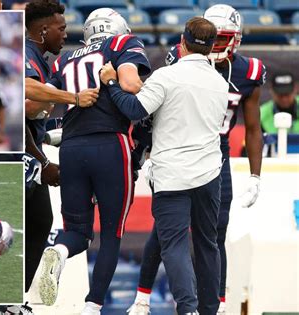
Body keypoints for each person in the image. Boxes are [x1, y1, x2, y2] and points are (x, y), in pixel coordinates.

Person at [128, 5, 266, 315]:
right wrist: (145, 154)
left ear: (236, 39)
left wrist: (256, 175)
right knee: (165, 233)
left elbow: (254, 128)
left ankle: (214, 305)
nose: (216, 47)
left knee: (213, 233)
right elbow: (158, 117)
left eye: (222, 39)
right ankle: (143, 297)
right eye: (213, 39)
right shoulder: (181, 65)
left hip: (215, 154)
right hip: (184, 148)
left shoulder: (246, 72)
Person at [100, 17, 229, 315]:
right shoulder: (219, 83)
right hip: (209, 173)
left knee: (174, 245)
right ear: (211, 48)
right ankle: (210, 310)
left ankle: (188, 309)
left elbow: (134, 109)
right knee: (208, 244)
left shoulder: (166, 76)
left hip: (171, 175)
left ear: (182, 43)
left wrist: (110, 81)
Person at [37, 8, 151, 314]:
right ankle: (92, 306)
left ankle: (59, 252)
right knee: (112, 233)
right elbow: (130, 86)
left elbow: (40, 105)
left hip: (71, 147)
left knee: (77, 232)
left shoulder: (64, 59)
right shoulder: (120, 45)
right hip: (110, 145)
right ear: (119, 28)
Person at [23, 0, 66, 295]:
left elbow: (35, 119)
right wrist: (43, 161)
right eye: (61, 28)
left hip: (31, 156)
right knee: (20, 225)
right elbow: (21, 114)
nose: (65, 33)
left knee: (40, 223)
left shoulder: (41, 58)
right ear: (42, 30)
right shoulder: (27, 56)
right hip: (22, 158)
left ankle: (14, 297)